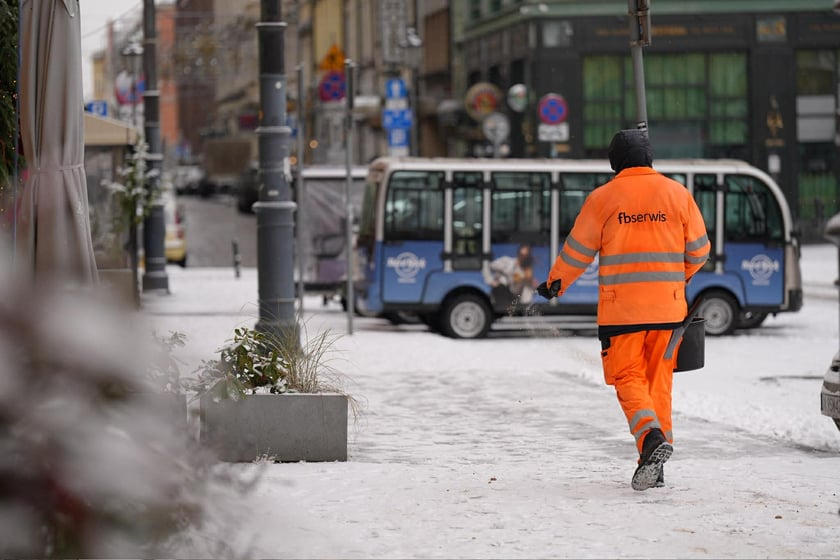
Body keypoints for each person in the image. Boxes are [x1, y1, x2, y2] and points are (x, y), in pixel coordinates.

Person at [537, 129, 710, 491]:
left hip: (623, 314)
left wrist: (556, 283)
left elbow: (577, 250)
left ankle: (650, 439)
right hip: (668, 311)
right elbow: (699, 250)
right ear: (649, 157)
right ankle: (655, 466)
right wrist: (676, 280)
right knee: (658, 386)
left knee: (628, 380)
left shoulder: (604, 198)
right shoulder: (677, 193)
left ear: (615, 162)